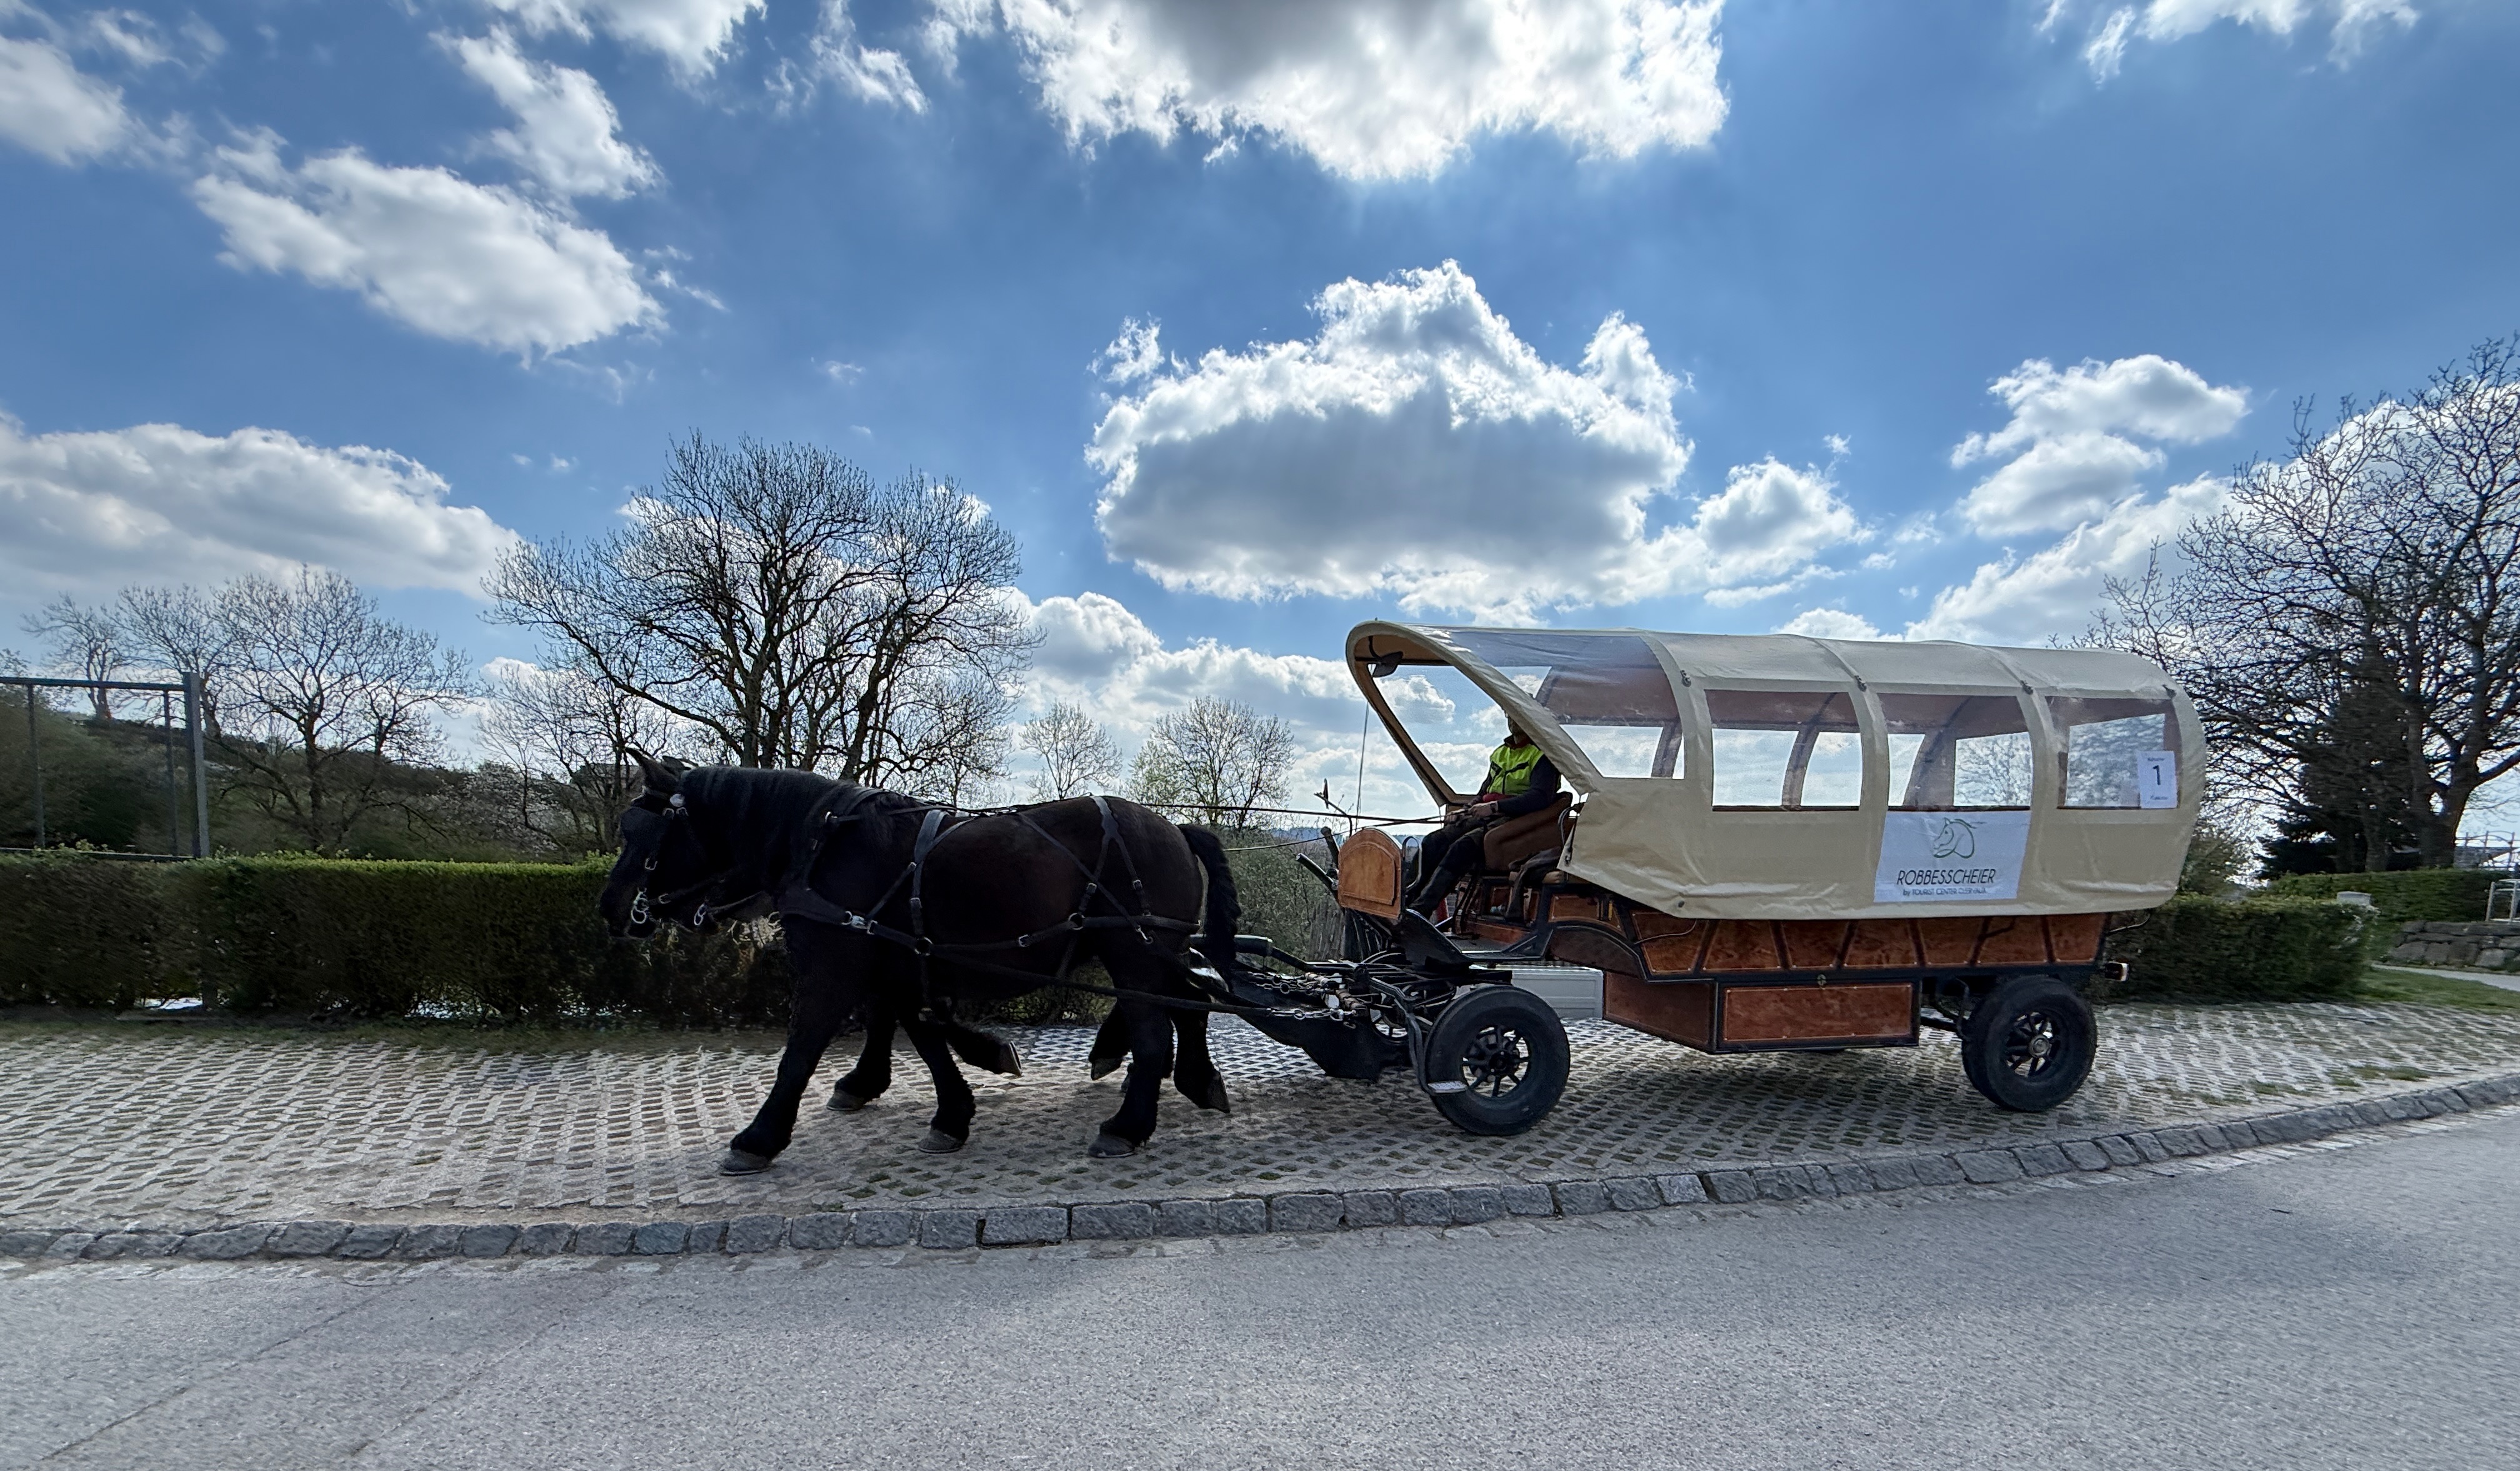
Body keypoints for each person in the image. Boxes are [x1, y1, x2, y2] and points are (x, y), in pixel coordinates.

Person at [1406, 724, 1561, 915]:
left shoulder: (1542, 755)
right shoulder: (1500, 753)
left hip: (1517, 818)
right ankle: (1405, 904)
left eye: (1516, 715)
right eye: (1508, 714)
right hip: (1489, 814)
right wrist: (1465, 811)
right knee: (1432, 841)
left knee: (1462, 847)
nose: (1512, 720)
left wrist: (1495, 807)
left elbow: (1540, 798)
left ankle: (1421, 910)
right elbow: (1484, 793)